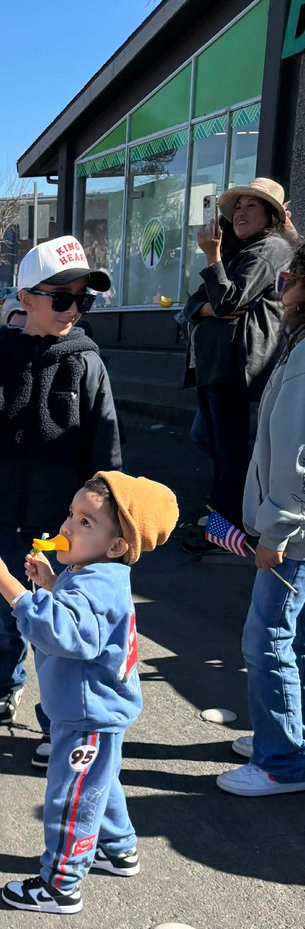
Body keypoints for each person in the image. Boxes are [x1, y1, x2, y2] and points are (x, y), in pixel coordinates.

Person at [0, 471, 179, 913]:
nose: (67, 526)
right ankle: (118, 850)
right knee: (99, 781)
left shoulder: (96, 584)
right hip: (96, 707)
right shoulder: (96, 574)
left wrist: (10, 586)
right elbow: (79, 617)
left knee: (72, 797)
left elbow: (64, 633)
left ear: (117, 546)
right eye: (70, 513)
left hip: (86, 715)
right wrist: (51, 583)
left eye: (85, 522)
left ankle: (60, 885)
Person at [0, 235, 122, 769]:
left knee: (59, 626)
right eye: (62, 298)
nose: (74, 309)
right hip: (3, 517)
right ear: (25, 298)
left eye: (83, 299)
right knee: (8, 614)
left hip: (68, 529)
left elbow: (107, 453)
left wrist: (110, 525)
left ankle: (56, 722)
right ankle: (6, 685)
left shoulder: (88, 364)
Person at [217, 243, 305, 797]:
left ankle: (283, 761)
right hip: (297, 531)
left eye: (291, 275)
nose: (284, 284)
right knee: (294, 641)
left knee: (267, 639)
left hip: (293, 536)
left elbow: (297, 457)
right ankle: (286, 736)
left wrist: (276, 531)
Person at [180, 177, 293, 552]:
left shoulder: (269, 250)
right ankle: (230, 517)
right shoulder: (241, 251)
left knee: (230, 453)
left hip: (238, 367)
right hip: (216, 367)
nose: (241, 213)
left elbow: (227, 302)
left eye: (252, 206)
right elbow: (196, 302)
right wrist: (207, 306)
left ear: (271, 215)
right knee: (213, 443)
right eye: (238, 207)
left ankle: (226, 530)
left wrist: (212, 258)